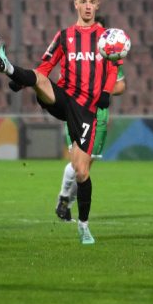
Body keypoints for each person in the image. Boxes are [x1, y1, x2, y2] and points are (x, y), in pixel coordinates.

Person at [0, 0, 118, 244]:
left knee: (81, 171)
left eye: (92, 1)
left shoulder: (106, 37)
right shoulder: (64, 36)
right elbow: (46, 66)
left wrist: (106, 91)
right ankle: (9, 67)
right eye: (83, 0)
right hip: (65, 98)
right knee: (39, 78)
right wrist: (25, 80)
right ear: (75, 4)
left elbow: (115, 67)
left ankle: (83, 225)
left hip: (87, 110)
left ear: (98, 5)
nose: (88, 5)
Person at [54, 15, 126, 221]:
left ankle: (67, 201)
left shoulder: (111, 55)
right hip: (76, 109)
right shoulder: (77, 53)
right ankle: (64, 198)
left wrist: (104, 91)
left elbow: (121, 86)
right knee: (78, 165)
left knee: (84, 167)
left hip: (99, 114)